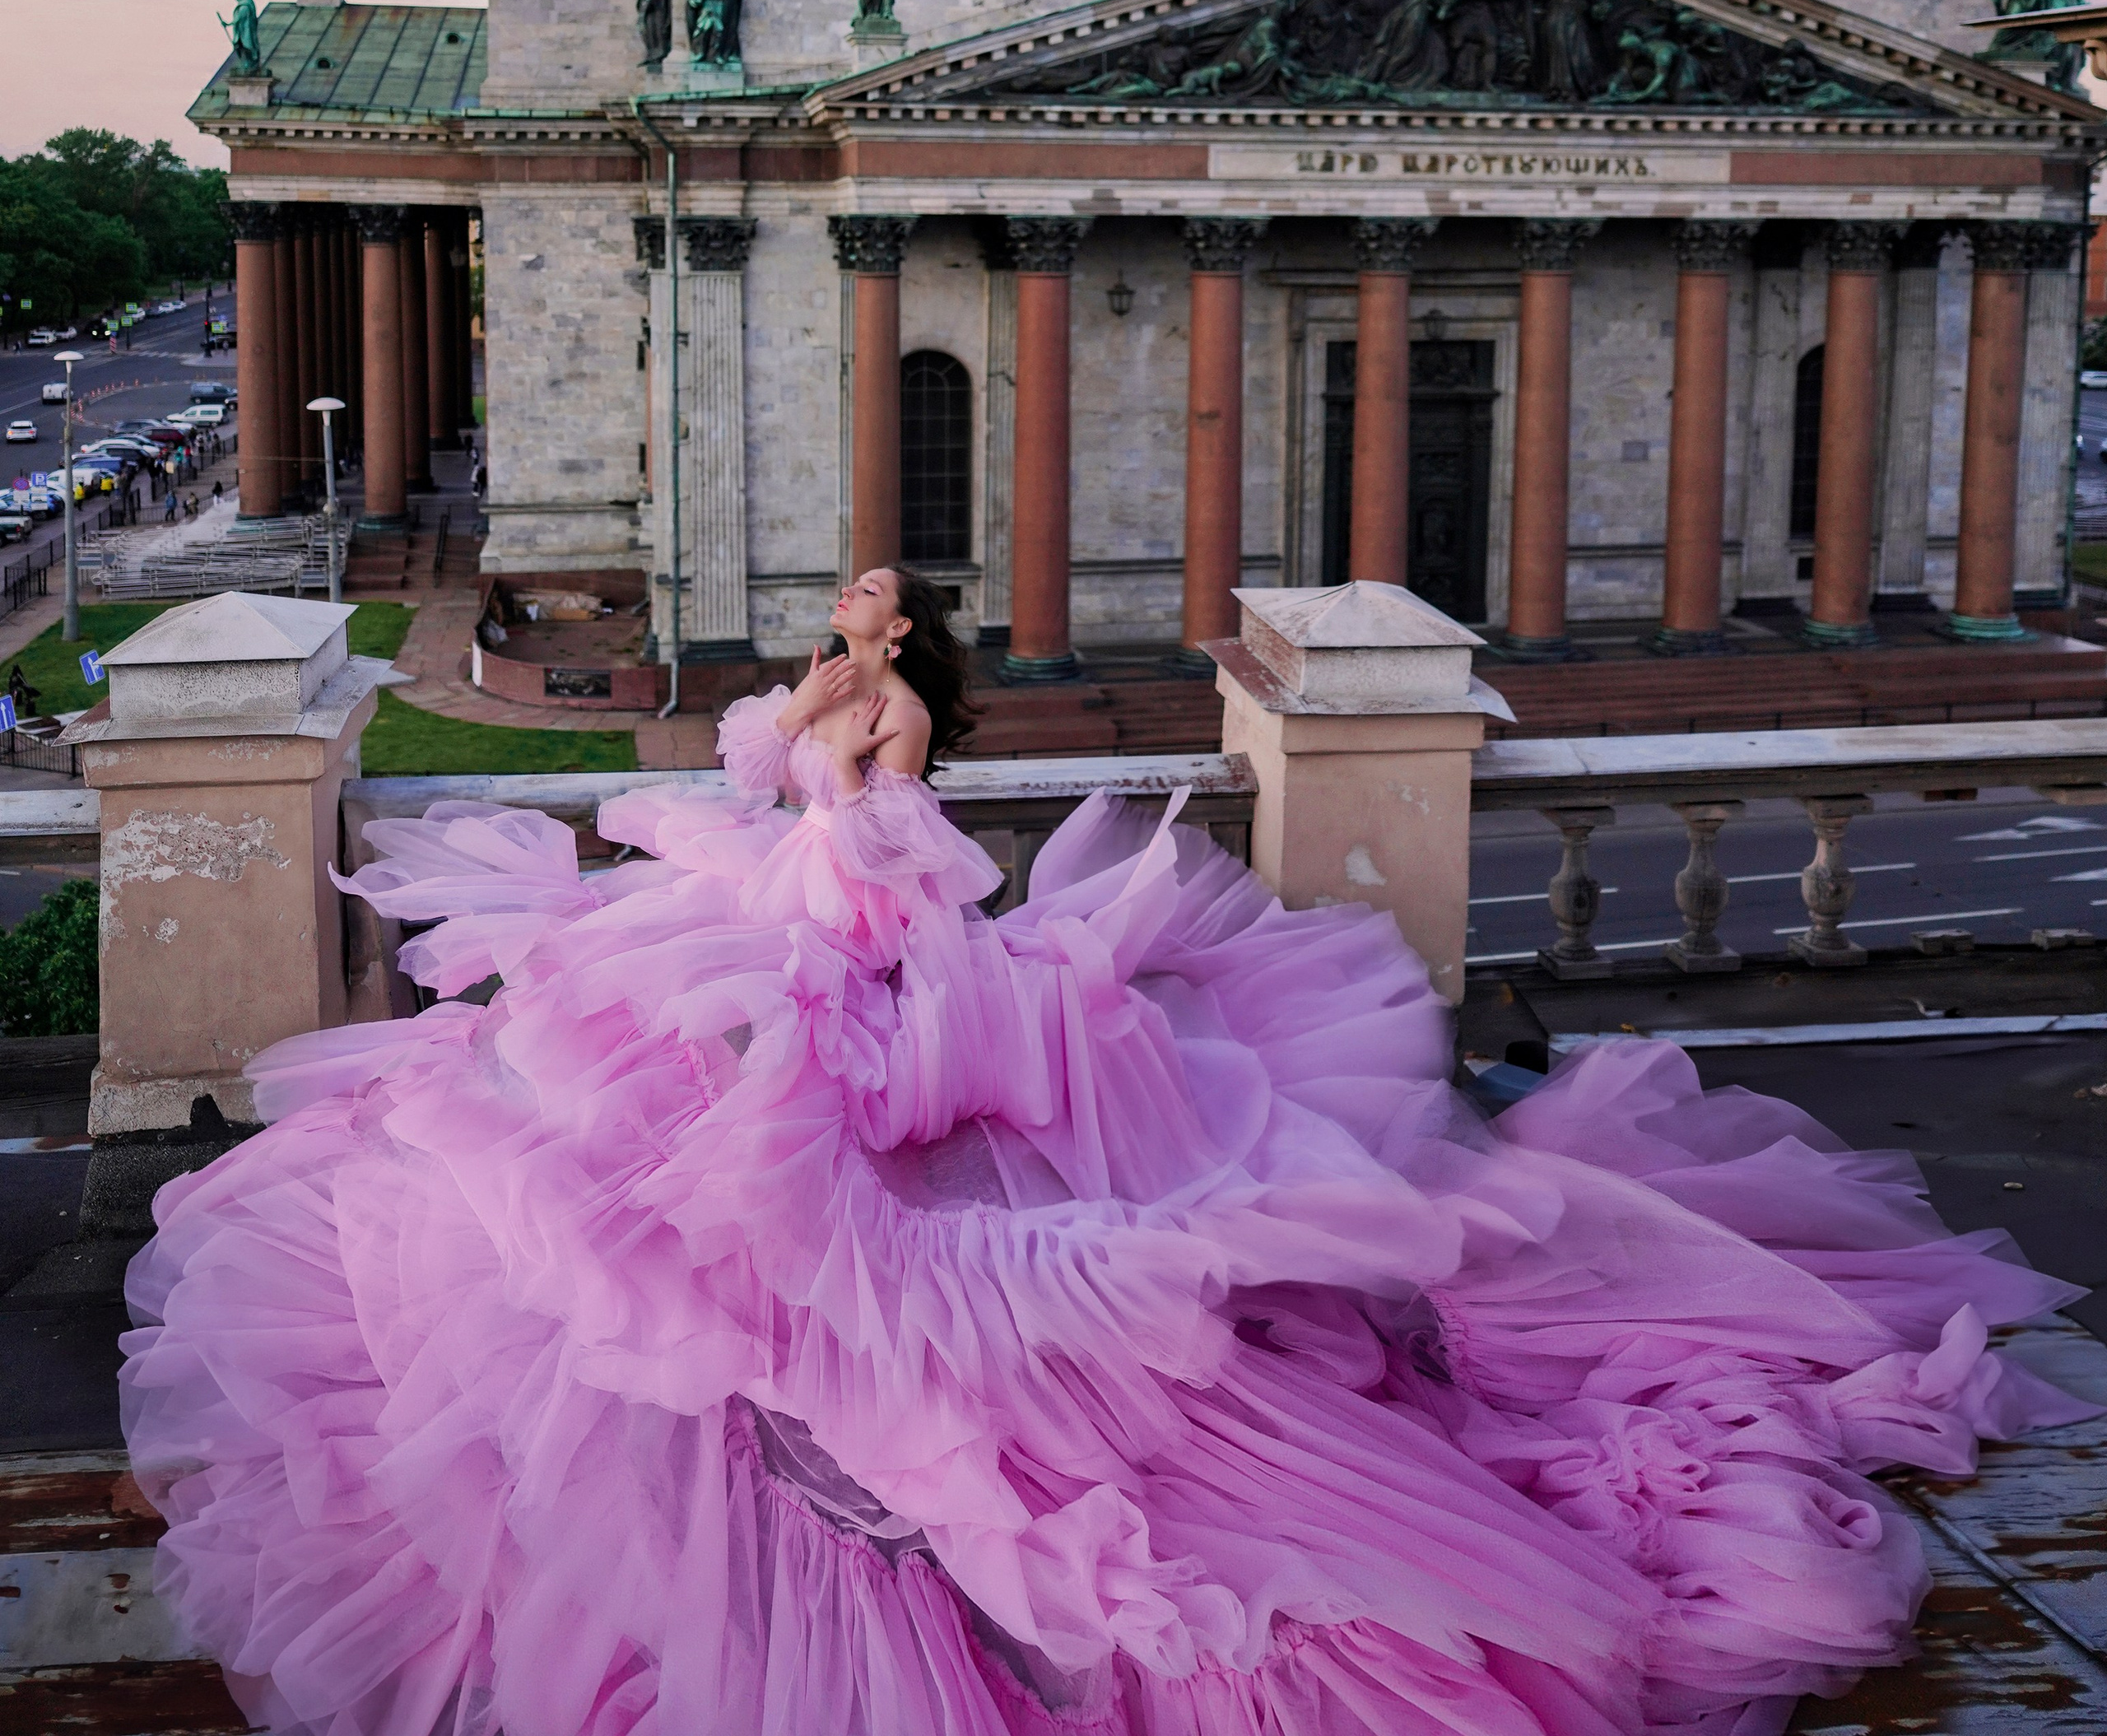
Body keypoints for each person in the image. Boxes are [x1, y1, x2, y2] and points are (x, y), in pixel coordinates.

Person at [120, 567, 2087, 1736]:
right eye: (849, 602)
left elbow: (868, 825)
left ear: (908, 633)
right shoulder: (835, 687)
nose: (854, 612)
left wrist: (835, 774)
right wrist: (804, 721)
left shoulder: (886, 714)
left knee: (847, 1226)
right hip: (789, 929)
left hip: (862, 943)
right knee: (628, 1179)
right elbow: (755, 758)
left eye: (877, 605)